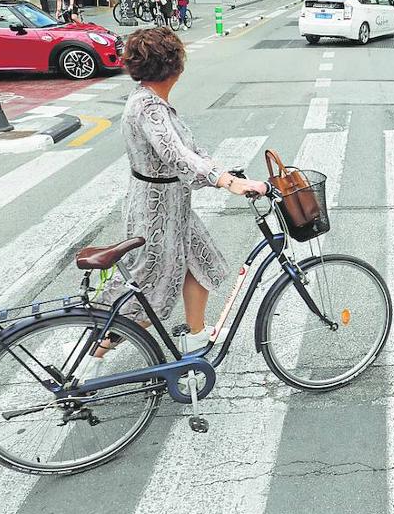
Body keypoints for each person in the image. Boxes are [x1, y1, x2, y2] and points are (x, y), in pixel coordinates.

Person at [78, 27, 270, 378]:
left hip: (173, 206)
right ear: (174, 66)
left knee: (201, 261)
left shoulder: (150, 100)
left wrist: (224, 172)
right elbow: (176, 154)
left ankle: (196, 337)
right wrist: (226, 182)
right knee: (150, 290)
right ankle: (91, 359)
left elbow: (190, 150)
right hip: (156, 213)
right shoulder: (149, 109)